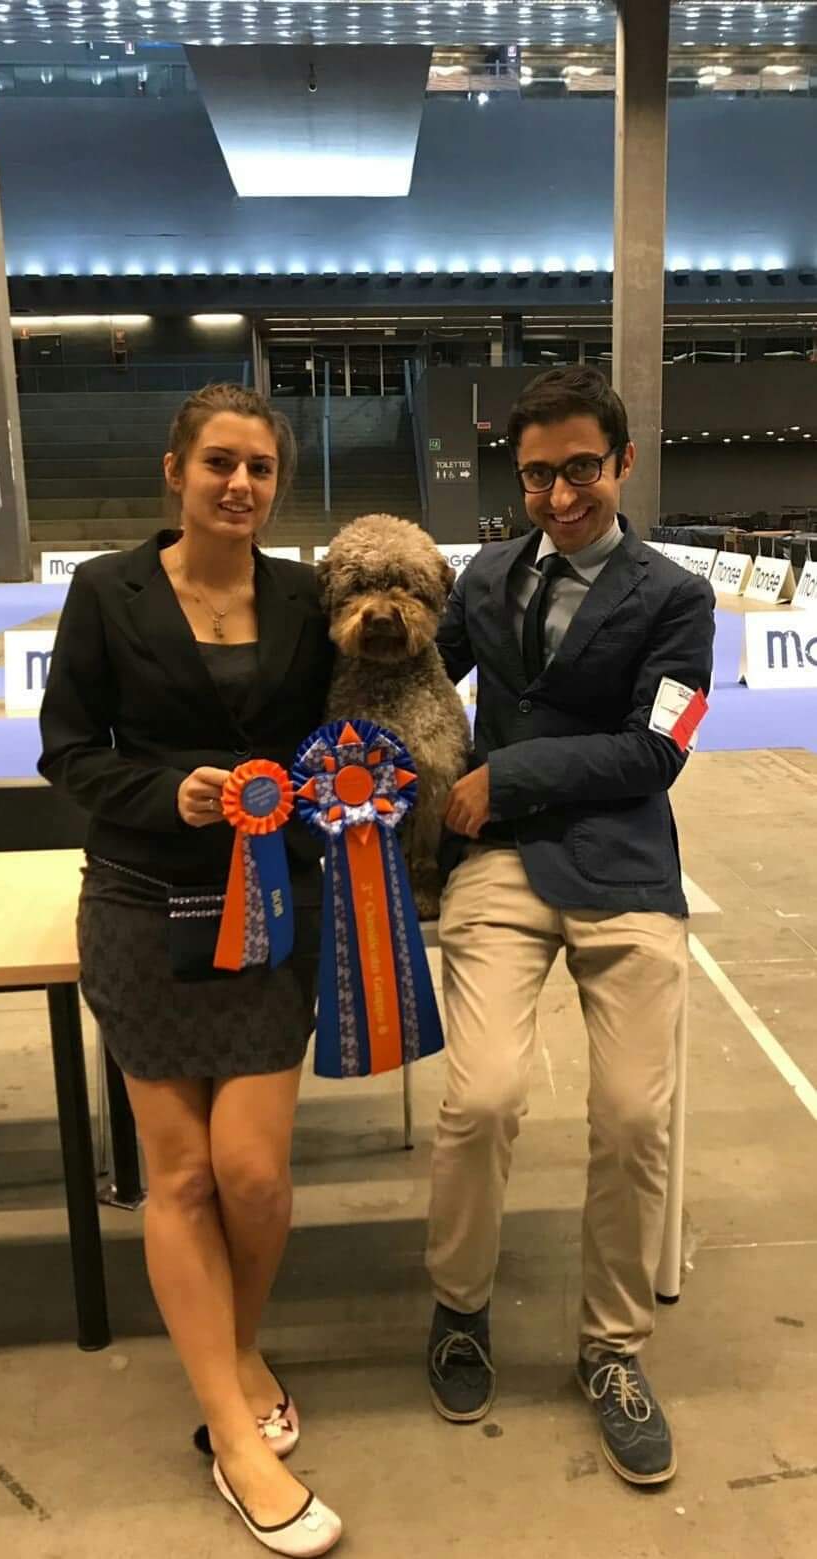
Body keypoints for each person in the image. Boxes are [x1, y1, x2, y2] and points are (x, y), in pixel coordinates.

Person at [39, 383, 342, 1556]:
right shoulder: (104, 590)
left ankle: (237, 1341)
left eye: (260, 467)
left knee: (251, 1174)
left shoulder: (309, 596)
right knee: (178, 1175)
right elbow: (68, 750)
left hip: (274, 906)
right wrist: (168, 791)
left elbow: (339, 738)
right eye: (219, 461)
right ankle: (230, 1426)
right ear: (175, 470)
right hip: (142, 901)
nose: (240, 484)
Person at [425, 365, 715, 1487]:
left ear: (623, 462)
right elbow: (413, 678)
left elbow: (659, 749)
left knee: (635, 1116)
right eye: (537, 474)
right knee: (483, 1097)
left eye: (580, 469)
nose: (557, 496)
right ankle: (459, 1308)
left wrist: (507, 774)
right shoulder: (485, 574)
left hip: (624, 868)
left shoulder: (678, 598)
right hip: (500, 868)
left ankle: (613, 1349)